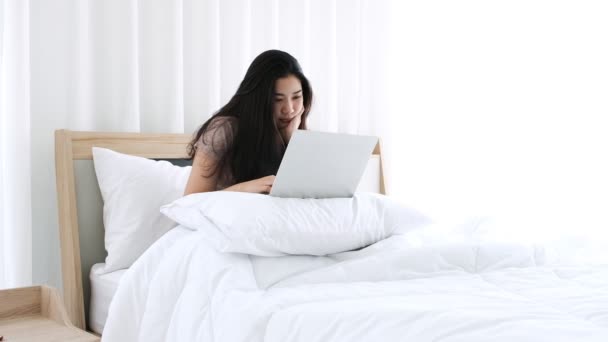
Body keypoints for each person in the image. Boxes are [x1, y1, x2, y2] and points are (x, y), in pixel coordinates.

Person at [184, 50, 313, 195]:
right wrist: (242, 189)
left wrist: (293, 141)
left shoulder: (295, 133)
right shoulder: (223, 130)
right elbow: (190, 202)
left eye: (296, 97)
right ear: (258, 100)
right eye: (277, 99)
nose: (289, 109)